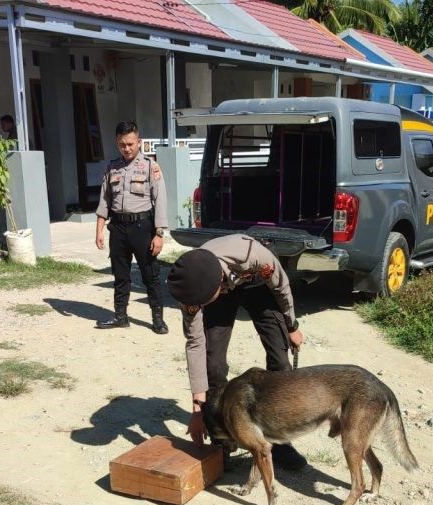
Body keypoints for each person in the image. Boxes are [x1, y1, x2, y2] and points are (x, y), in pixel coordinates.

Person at [166, 235, 308, 470]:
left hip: (257, 285)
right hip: (221, 293)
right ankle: (221, 439)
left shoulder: (253, 257)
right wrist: (197, 410)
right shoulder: (192, 283)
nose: (195, 308)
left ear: (218, 282)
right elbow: (194, 343)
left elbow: (281, 286)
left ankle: (279, 441)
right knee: (213, 363)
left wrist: (292, 327)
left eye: (201, 303)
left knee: (280, 361)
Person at [94, 121, 169, 335]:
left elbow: (160, 200)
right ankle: (120, 316)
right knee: (120, 274)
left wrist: (159, 234)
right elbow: (105, 201)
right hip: (118, 228)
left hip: (142, 227)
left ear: (139, 142)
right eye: (121, 144)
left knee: (150, 275)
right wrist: (99, 230)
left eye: (130, 144)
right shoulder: (112, 167)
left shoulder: (149, 167)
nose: (126, 149)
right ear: (116, 143)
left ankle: (157, 319)